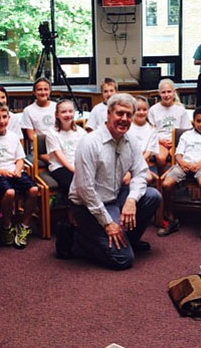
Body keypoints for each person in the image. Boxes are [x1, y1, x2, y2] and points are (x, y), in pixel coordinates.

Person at [58, 93, 162, 270]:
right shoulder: (90, 142)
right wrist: (107, 223)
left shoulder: (131, 141)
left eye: (129, 115)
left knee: (153, 196)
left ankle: (128, 240)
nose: (124, 119)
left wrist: (131, 200)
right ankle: (75, 238)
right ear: (108, 114)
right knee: (123, 259)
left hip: (114, 198)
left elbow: (141, 173)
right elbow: (85, 190)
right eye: (120, 113)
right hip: (87, 207)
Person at [0, 102, 40, 249]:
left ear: (9, 118)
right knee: (9, 192)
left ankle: (24, 225)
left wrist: (18, 170)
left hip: (13, 171)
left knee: (34, 190)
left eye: (4, 117)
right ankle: (7, 225)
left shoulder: (13, 136)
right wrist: (2, 172)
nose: (1, 120)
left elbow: (20, 159)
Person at [159, 106, 201, 239]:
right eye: (198, 121)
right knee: (166, 184)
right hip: (185, 165)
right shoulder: (186, 135)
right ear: (193, 121)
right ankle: (171, 219)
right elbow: (178, 154)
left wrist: (200, 164)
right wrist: (183, 163)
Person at [148, 79, 191, 174]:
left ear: (174, 92)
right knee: (160, 157)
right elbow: (151, 131)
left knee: (177, 156)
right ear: (159, 93)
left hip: (177, 141)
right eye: (163, 92)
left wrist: (174, 140)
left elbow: (186, 130)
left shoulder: (181, 110)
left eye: (169, 91)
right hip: (159, 141)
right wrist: (161, 141)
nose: (166, 95)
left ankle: (175, 180)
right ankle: (162, 180)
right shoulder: (153, 110)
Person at [46, 98, 86, 198]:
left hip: (78, 165)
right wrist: (76, 171)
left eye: (70, 111)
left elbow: (86, 153)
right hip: (60, 167)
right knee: (73, 185)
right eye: (63, 112)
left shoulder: (81, 132)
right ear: (57, 115)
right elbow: (60, 157)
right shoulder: (52, 133)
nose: (68, 115)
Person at [128, 95, 159, 184]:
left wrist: (139, 160)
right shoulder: (128, 127)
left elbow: (149, 151)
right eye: (138, 110)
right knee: (126, 179)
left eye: (144, 110)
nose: (141, 112)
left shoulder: (152, 129)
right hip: (127, 162)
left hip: (142, 162)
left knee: (148, 178)